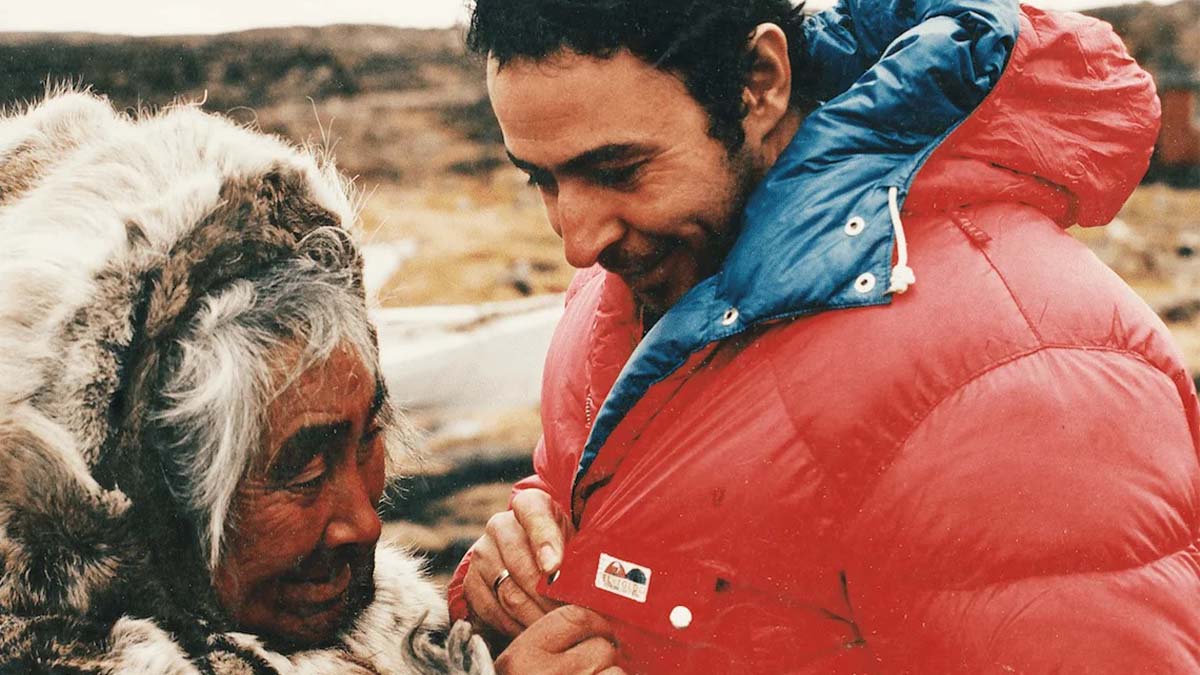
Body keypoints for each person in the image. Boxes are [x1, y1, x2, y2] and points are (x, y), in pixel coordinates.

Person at [449, 0, 1200, 671]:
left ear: (759, 82)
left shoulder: (1018, 369)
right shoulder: (632, 287)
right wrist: (500, 593)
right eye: (539, 180)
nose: (577, 241)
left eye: (617, 169)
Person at [0, 90, 619, 674]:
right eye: (302, 471)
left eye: (369, 438)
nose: (364, 523)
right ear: (139, 502)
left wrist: (487, 633)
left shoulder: (355, 619)